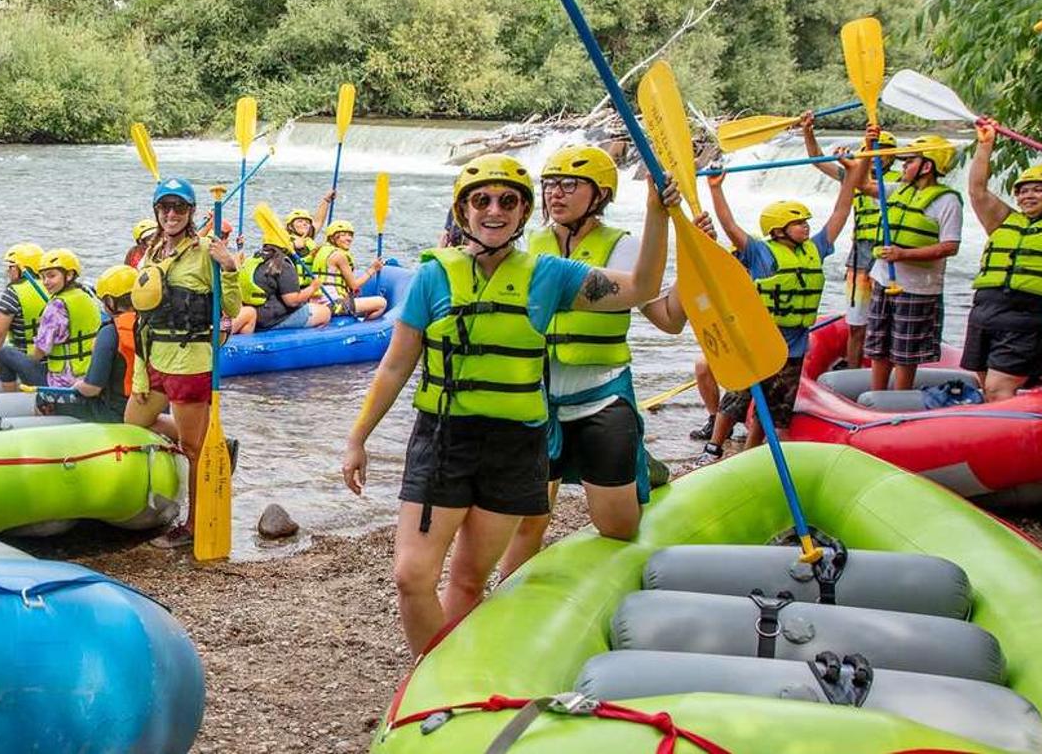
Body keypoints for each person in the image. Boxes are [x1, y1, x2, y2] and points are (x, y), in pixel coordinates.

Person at [341, 155, 670, 657]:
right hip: (443, 439)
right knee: (412, 576)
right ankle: (430, 674)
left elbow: (642, 289)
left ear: (522, 213)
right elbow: (394, 366)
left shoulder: (550, 275)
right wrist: (357, 438)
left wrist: (658, 212)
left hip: (516, 446)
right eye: (481, 201)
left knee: (471, 581)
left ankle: (450, 682)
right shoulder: (434, 277)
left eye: (508, 201)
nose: (494, 211)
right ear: (463, 211)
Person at [498, 146, 679, 578]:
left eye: (568, 184)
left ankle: (640, 464)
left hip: (600, 397)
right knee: (529, 519)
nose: (555, 194)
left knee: (617, 527)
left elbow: (670, 320)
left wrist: (690, 259)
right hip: (537, 402)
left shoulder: (623, 248)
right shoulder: (526, 244)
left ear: (599, 194)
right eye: (549, 184)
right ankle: (502, 602)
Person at [697, 157, 863, 460]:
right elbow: (730, 226)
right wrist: (716, 188)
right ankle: (713, 449)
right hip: (758, 341)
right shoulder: (760, 252)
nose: (806, 226)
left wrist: (851, 176)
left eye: (805, 222)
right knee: (736, 399)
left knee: (774, 408)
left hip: (794, 345)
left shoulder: (816, 248)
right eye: (799, 223)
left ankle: (749, 454)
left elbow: (840, 212)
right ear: (777, 230)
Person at [125, 177, 240, 549]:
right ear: (156, 212)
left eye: (179, 208)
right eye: (164, 208)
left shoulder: (206, 251)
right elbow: (143, 317)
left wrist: (231, 268)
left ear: (190, 213)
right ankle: (216, 444)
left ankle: (192, 525)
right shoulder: (152, 251)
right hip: (155, 357)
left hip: (191, 361)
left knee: (192, 451)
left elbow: (233, 309)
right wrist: (141, 375)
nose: (171, 214)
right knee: (134, 423)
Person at [961, 123, 1042, 400]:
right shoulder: (1005, 219)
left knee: (999, 388)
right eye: (1023, 191)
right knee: (988, 385)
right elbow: (977, 191)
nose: (1028, 196)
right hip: (987, 309)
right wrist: (985, 145)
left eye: (1038, 190)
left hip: (1033, 313)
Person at [865, 135, 963, 392]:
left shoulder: (947, 201)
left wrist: (903, 255)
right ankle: (876, 396)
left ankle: (899, 397)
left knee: (904, 351)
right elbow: (862, 184)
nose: (902, 167)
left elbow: (950, 246)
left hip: (919, 288)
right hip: (885, 281)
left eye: (908, 161)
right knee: (878, 345)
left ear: (926, 166)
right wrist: (867, 147)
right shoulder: (899, 190)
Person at [801, 115, 899, 371]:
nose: (879, 157)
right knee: (857, 324)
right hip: (860, 254)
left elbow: (871, 186)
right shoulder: (852, 174)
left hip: (889, 252)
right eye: (873, 151)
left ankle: (890, 371)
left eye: (884, 153)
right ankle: (853, 372)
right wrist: (808, 131)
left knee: (889, 322)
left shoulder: (901, 182)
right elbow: (816, 160)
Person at [35, 264, 140, 422]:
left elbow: (92, 389)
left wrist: (77, 385)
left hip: (113, 412)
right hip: (144, 408)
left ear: (111, 301)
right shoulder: (150, 326)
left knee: (42, 400)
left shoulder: (110, 333)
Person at [27, 248, 105, 389]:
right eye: (43, 277)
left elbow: (40, 351)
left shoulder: (56, 306)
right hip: (91, 375)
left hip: (61, 380)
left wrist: (25, 360)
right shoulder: (87, 295)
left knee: (7, 354)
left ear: (69, 275)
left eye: (51, 276)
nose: (45, 282)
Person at [229, 227, 328, 336]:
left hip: (254, 313)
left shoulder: (253, 259)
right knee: (325, 313)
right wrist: (313, 288)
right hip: (272, 319)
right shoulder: (281, 264)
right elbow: (292, 301)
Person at [0, 242, 50, 390]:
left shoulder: (13, 293)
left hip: (27, 362)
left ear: (21, 268)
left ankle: (10, 397)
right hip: (54, 364)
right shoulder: (54, 288)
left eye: (11, 267)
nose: (8, 272)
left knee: (5, 353)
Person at [310, 219, 389, 319]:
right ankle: (364, 329)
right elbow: (354, 285)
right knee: (381, 303)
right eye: (343, 235)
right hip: (333, 305)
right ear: (333, 237)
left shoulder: (320, 251)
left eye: (350, 235)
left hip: (317, 303)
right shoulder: (339, 256)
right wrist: (373, 269)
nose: (349, 239)